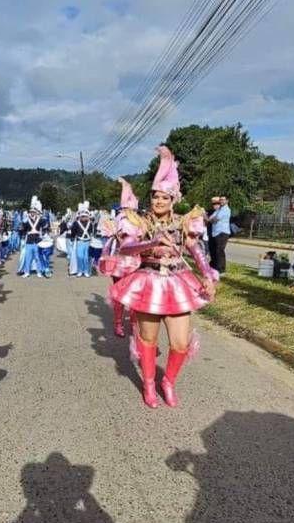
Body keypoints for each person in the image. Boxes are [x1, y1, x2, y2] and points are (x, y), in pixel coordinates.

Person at [109, 146, 218, 409]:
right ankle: (148, 384)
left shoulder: (185, 222)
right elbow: (125, 248)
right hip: (148, 282)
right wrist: (152, 242)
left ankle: (168, 381)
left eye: (163, 198)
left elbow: (196, 251)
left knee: (180, 342)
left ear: (173, 199)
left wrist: (207, 276)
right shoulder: (140, 222)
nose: (158, 201)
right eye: (155, 197)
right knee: (148, 338)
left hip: (178, 283)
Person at [98, 178, 141, 337]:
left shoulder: (139, 221)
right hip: (121, 262)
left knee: (135, 293)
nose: (130, 212)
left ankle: (135, 324)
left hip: (136, 261)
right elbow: (122, 241)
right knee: (121, 293)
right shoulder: (122, 220)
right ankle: (118, 323)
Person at [18, 197, 48, 278]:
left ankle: (39, 271)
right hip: (29, 241)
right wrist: (22, 226)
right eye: (31, 212)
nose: (32, 213)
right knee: (28, 258)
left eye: (33, 212)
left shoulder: (40, 220)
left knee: (37, 257)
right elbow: (22, 230)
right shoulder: (26, 220)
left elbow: (45, 226)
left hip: (37, 241)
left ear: (36, 212)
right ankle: (26, 271)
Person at [71, 204, 94, 278]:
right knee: (79, 256)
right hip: (79, 241)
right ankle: (80, 271)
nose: (84, 217)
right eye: (82, 216)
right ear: (80, 216)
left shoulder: (90, 223)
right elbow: (73, 231)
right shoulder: (76, 223)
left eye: (85, 216)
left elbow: (91, 232)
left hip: (87, 242)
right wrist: (73, 237)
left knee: (86, 257)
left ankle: (86, 271)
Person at [210, 195, 231, 276]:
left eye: (223, 200)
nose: (221, 201)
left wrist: (212, 219)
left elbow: (215, 219)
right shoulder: (219, 209)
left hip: (222, 232)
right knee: (216, 251)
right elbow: (210, 218)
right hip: (216, 232)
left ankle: (221, 270)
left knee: (220, 251)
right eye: (220, 200)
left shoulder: (226, 209)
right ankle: (215, 267)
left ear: (227, 201)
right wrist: (212, 219)